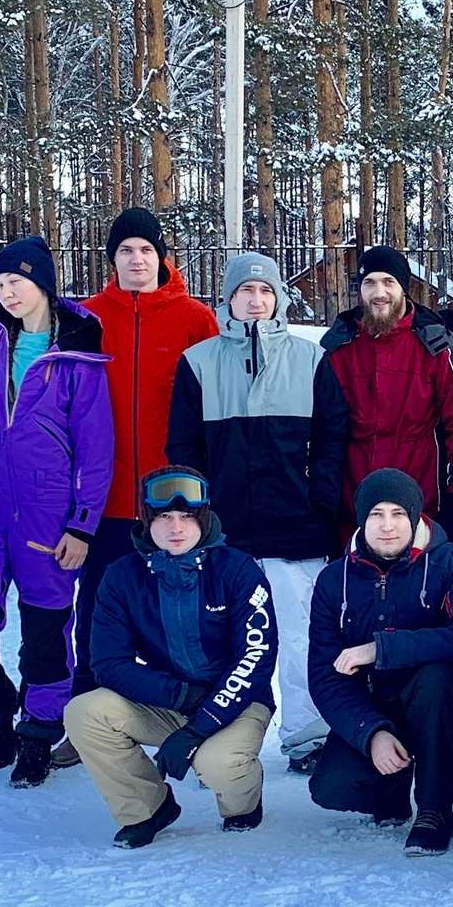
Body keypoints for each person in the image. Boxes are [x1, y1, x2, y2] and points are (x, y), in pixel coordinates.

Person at [0, 236, 114, 788]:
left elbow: (96, 448)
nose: (7, 293)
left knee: (45, 634)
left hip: (47, 517)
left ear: (43, 284)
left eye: (17, 282)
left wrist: (82, 524)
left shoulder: (78, 355)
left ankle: (38, 732)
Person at [168, 252, 347, 773]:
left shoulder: (309, 359)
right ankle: (218, 744)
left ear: (279, 299)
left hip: (297, 528)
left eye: (265, 291)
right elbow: (184, 449)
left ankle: (307, 738)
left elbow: (333, 439)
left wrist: (320, 500)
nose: (256, 299)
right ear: (227, 299)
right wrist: (199, 520)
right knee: (224, 644)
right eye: (245, 290)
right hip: (226, 535)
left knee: (300, 636)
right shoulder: (198, 362)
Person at [68, 468, 278, 848]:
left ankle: (243, 802)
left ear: (205, 517)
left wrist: (201, 724)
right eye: (164, 517)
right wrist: (182, 698)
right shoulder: (121, 577)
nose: (176, 527)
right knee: (85, 712)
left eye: (186, 516)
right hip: (169, 699)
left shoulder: (238, 570)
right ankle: (147, 807)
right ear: (147, 520)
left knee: (216, 762)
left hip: (238, 702)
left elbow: (257, 658)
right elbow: (108, 663)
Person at [70, 210, 218, 723]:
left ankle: (192, 714)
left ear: (162, 257)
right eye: (126, 250)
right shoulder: (85, 318)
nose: (137, 259)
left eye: (146, 250)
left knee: (181, 612)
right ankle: (85, 709)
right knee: (96, 607)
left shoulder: (196, 319)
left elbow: (211, 406)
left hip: (172, 498)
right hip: (104, 495)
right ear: (112, 259)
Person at [308, 469, 453, 855]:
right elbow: (324, 676)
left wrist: (380, 649)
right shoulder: (332, 580)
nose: (387, 526)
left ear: (416, 516)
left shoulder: (452, 561)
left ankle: (435, 809)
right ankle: (392, 786)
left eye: (398, 514)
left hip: (438, 703)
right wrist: (372, 733)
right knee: (331, 787)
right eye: (376, 514)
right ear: (361, 520)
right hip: (375, 706)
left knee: (437, 679)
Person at [319, 243, 453, 524]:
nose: (379, 293)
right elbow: (326, 436)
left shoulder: (439, 347)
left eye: (388, 282)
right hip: (356, 510)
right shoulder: (338, 351)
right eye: (370, 283)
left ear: (404, 288)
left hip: (424, 505)